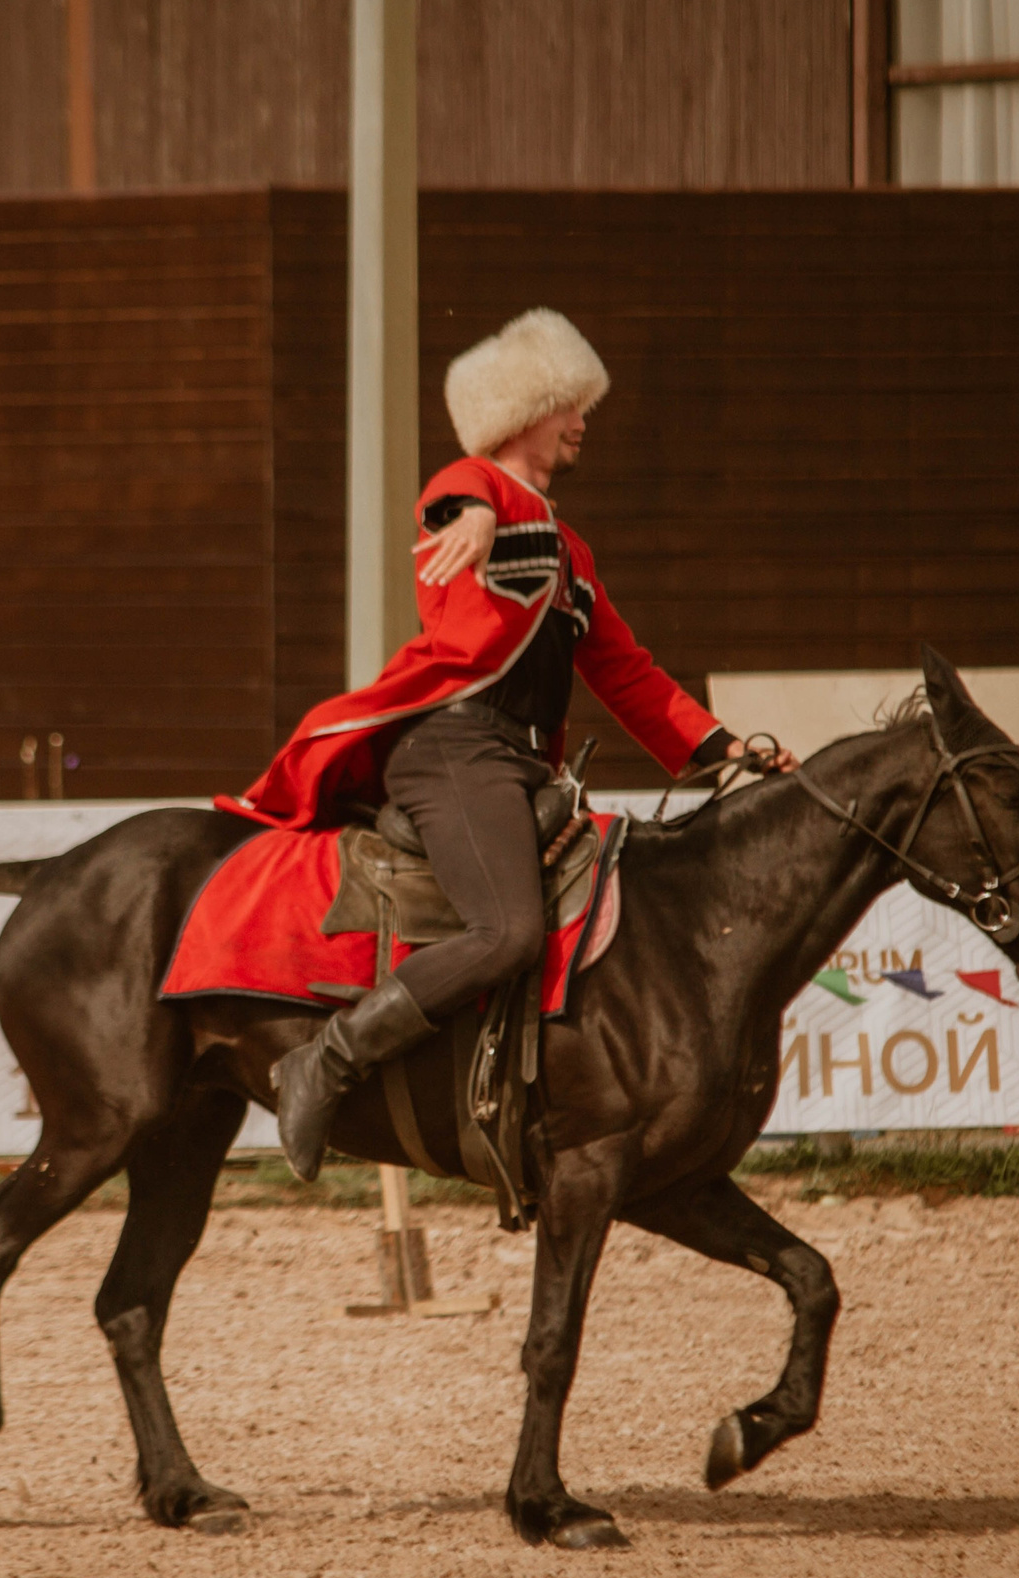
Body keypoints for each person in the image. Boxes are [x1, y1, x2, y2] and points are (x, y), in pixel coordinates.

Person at [219, 309, 796, 1179]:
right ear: (530, 409)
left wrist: (727, 752)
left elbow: (630, 675)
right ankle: (325, 1060)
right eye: (572, 405)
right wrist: (479, 518)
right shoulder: (471, 489)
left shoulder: (572, 552)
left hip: (521, 763)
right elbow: (459, 497)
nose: (583, 422)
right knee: (508, 931)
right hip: (456, 750)